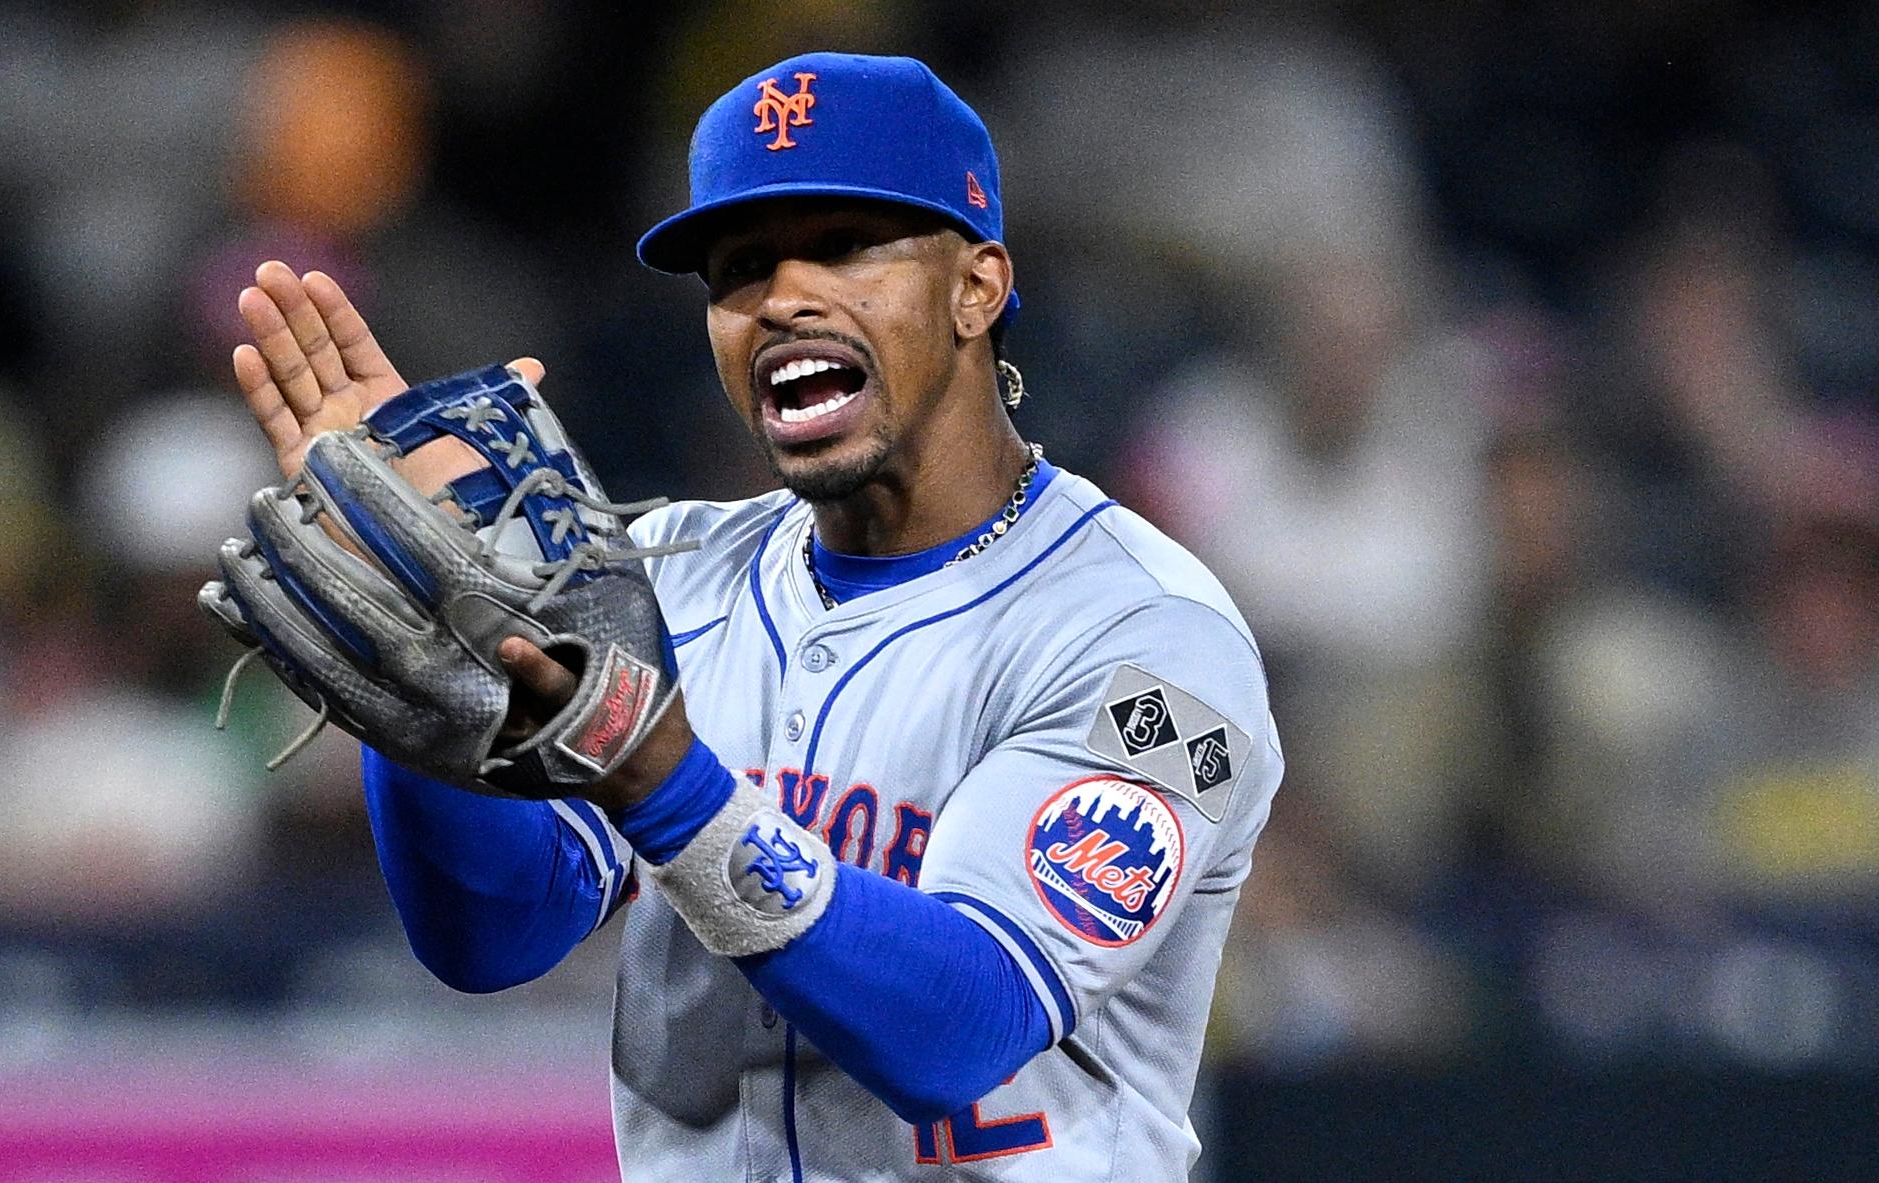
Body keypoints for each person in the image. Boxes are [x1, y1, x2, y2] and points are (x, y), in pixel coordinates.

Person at [230, 52, 1281, 1182]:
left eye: (842, 246)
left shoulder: (1146, 644)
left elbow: (962, 1028)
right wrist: (422, 699)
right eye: (737, 269)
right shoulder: (662, 572)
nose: (781, 299)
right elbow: (495, 934)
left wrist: (664, 781)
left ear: (977, 286)